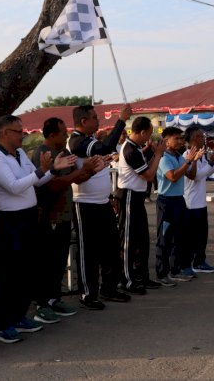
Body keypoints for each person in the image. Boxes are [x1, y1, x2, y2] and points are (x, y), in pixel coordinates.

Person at [0, 115, 76, 344]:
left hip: (27, 217)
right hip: (10, 221)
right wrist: (42, 171)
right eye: (18, 131)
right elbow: (15, 187)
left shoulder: (19, 155)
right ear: (5, 133)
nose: (23, 135)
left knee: (25, 271)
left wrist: (53, 170)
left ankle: (19, 317)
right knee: (8, 274)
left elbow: (36, 181)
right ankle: (3, 324)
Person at [32, 118, 106, 322]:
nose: (66, 136)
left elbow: (75, 178)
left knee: (58, 261)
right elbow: (51, 184)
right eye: (64, 132)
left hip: (64, 214)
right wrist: (80, 172)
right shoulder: (42, 154)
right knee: (46, 262)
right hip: (49, 216)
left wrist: (91, 170)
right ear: (52, 134)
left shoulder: (63, 153)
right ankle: (42, 304)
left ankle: (55, 299)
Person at [68, 104, 132, 309]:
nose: (98, 121)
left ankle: (109, 287)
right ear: (84, 121)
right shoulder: (77, 141)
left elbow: (102, 155)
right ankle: (88, 293)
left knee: (110, 247)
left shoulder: (90, 140)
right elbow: (106, 148)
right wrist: (121, 120)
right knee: (89, 251)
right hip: (85, 204)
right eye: (95, 118)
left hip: (102, 202)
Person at [116, 116, 166, 291]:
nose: (150, 138)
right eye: (149, 134)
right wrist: (158, 155)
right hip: (129, 196)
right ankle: (127, 280)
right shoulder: (130, 150)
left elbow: (147, 169)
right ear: (142, 132)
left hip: (137, 197)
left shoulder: (136, 149)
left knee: (142, 240)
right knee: (129, 240)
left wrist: (154, 154)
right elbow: (149, 176)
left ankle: (142, 276)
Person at [156, 127, 203, 283]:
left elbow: (191, 174)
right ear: (166, 141)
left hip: (178, 200)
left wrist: (194, 161)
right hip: (166, 202)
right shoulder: (164, 158)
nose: (180, 141)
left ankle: (176, 270)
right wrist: (189, 160)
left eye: (181, 138)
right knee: (164, 239)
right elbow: (173, 177)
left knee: (179, 237)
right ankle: (162, 273)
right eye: (176, 138)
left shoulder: (179, 157)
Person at [183, 126, 214, 273]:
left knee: (202, 235)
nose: (202, 139)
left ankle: (199, 261)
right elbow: (196, 176)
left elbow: (206, 173)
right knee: (192, 236)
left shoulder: (201, 155)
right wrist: (212, 162)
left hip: (200, 201)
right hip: (191, 202)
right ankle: (191, 262)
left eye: (202, 136)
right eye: (198, 136)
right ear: (190, 139)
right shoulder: (187, 156)